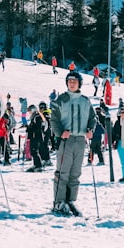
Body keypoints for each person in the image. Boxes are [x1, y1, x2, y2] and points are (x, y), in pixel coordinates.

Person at [48, 70, 96, 216]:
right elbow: (54, 120)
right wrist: (60, 132)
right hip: (66, 140)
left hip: (80, 140)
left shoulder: (85, 100)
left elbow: (93, 118)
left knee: (75, 172)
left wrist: (90, 129)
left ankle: (70, 200)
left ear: (79, 83)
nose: (72, 83)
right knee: (63, 171)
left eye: (75, 81)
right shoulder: (60, 99)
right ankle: (59, 202)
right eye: (70, 81)